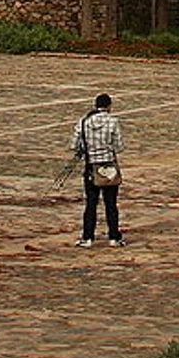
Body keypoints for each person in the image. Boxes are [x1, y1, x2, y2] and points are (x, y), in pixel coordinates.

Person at [71, 93, 125, 247]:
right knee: (111, 204)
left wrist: (88, 148)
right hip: (108, 166)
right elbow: (119, 146)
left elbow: (74, 145)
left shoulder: (83, 122)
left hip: (91, 166)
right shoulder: (113, 122)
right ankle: (114, 237)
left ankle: (88, 237)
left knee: (91, 203)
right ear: (108, 106)